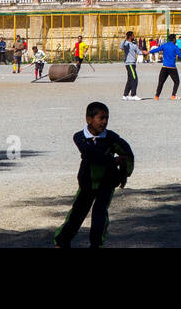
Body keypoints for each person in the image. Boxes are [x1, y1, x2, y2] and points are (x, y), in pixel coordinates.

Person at [53, 101, 134, 248]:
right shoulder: (79, 137)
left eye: (106, 118)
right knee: (77, 214)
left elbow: (127, 154)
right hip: (87, 183)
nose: (104, 122)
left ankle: (97, 244)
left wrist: (124, 174)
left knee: (99, 216)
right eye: (101, 118)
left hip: (106, 184)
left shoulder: (111, 138)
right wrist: (113, 160)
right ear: (89, 119)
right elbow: (90, 154)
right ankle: (62, 242)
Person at [149, 34, 181, 100]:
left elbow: (157, 49)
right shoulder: (175, 47)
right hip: (172, 68)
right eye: (175, 39)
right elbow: (180, 55)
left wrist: (149, 52)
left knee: (161, 82)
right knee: (177, 82)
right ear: (174, 39)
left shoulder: (164, 45)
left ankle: (157, 96)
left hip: (164, 67)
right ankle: (173, 95)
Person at [121, 31, 141, 98]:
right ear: (130, 36)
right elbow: (121, 47)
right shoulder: (126, 43)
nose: (134, 36)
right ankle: (133, 95)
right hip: (129, 64)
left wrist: (146, 52)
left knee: (130, 80)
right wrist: (125, 39)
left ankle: (125, 95)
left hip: (133, 64)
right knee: (134, 78)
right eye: (133, 35)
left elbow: (139, 52)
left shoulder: (134, 44)